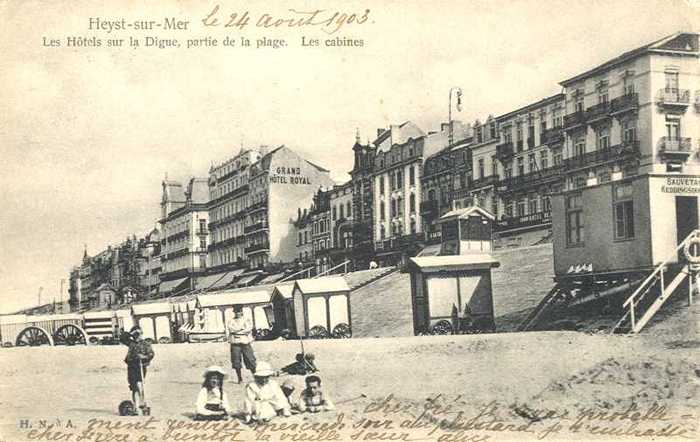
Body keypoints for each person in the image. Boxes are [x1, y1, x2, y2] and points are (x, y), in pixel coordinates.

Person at [122, 325, 154, 415]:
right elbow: (122, 337)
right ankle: (135, 406)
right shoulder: (131, 343)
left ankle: (142, 403)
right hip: (131, 366)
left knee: (139, 384)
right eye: (136, 334)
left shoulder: (146, 344)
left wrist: (144, 357)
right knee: (134, 387)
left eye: (139, 334)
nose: (138, 336)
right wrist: (131, 333)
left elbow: (151, 354)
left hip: (140, 366)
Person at [226, 306, 256, 384]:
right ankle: (240, 378)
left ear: (242, 312)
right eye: (236, 312)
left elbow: (248, 329)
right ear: (234, 313)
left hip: (245, 342)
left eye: (239, 312)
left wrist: (238, 331)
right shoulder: (231, 321)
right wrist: (241, 329)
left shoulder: (246, 320)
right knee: (236, 361)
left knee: (250, 359)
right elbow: (231, 329)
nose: (238, 313)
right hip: (235, 342)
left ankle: (256, 377)